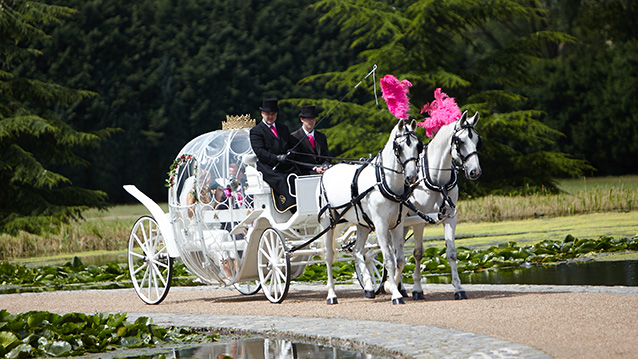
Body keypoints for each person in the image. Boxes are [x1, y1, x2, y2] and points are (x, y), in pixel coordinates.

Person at [249, 98, 299, 213]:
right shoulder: (256, 131)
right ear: (262, 114)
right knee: (283, 179)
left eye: (272, 114)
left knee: (298, 176)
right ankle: (291, 208)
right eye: (267, 114)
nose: (270, 117)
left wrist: (291, 153)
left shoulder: (283, 128)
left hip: (285, 164)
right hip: (269, 166)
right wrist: (276, 158)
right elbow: (260, 151)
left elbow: (292, 144)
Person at [291, 105, 330, 175]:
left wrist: (324, 166)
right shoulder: (294, 137)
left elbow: (326, 157)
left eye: (313, 118)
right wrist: (315, 168)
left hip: (324, 172)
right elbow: (297, 160)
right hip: (306, 173)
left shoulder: (321, 136)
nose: (311, 121)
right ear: (302, 119)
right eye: (308, 119)